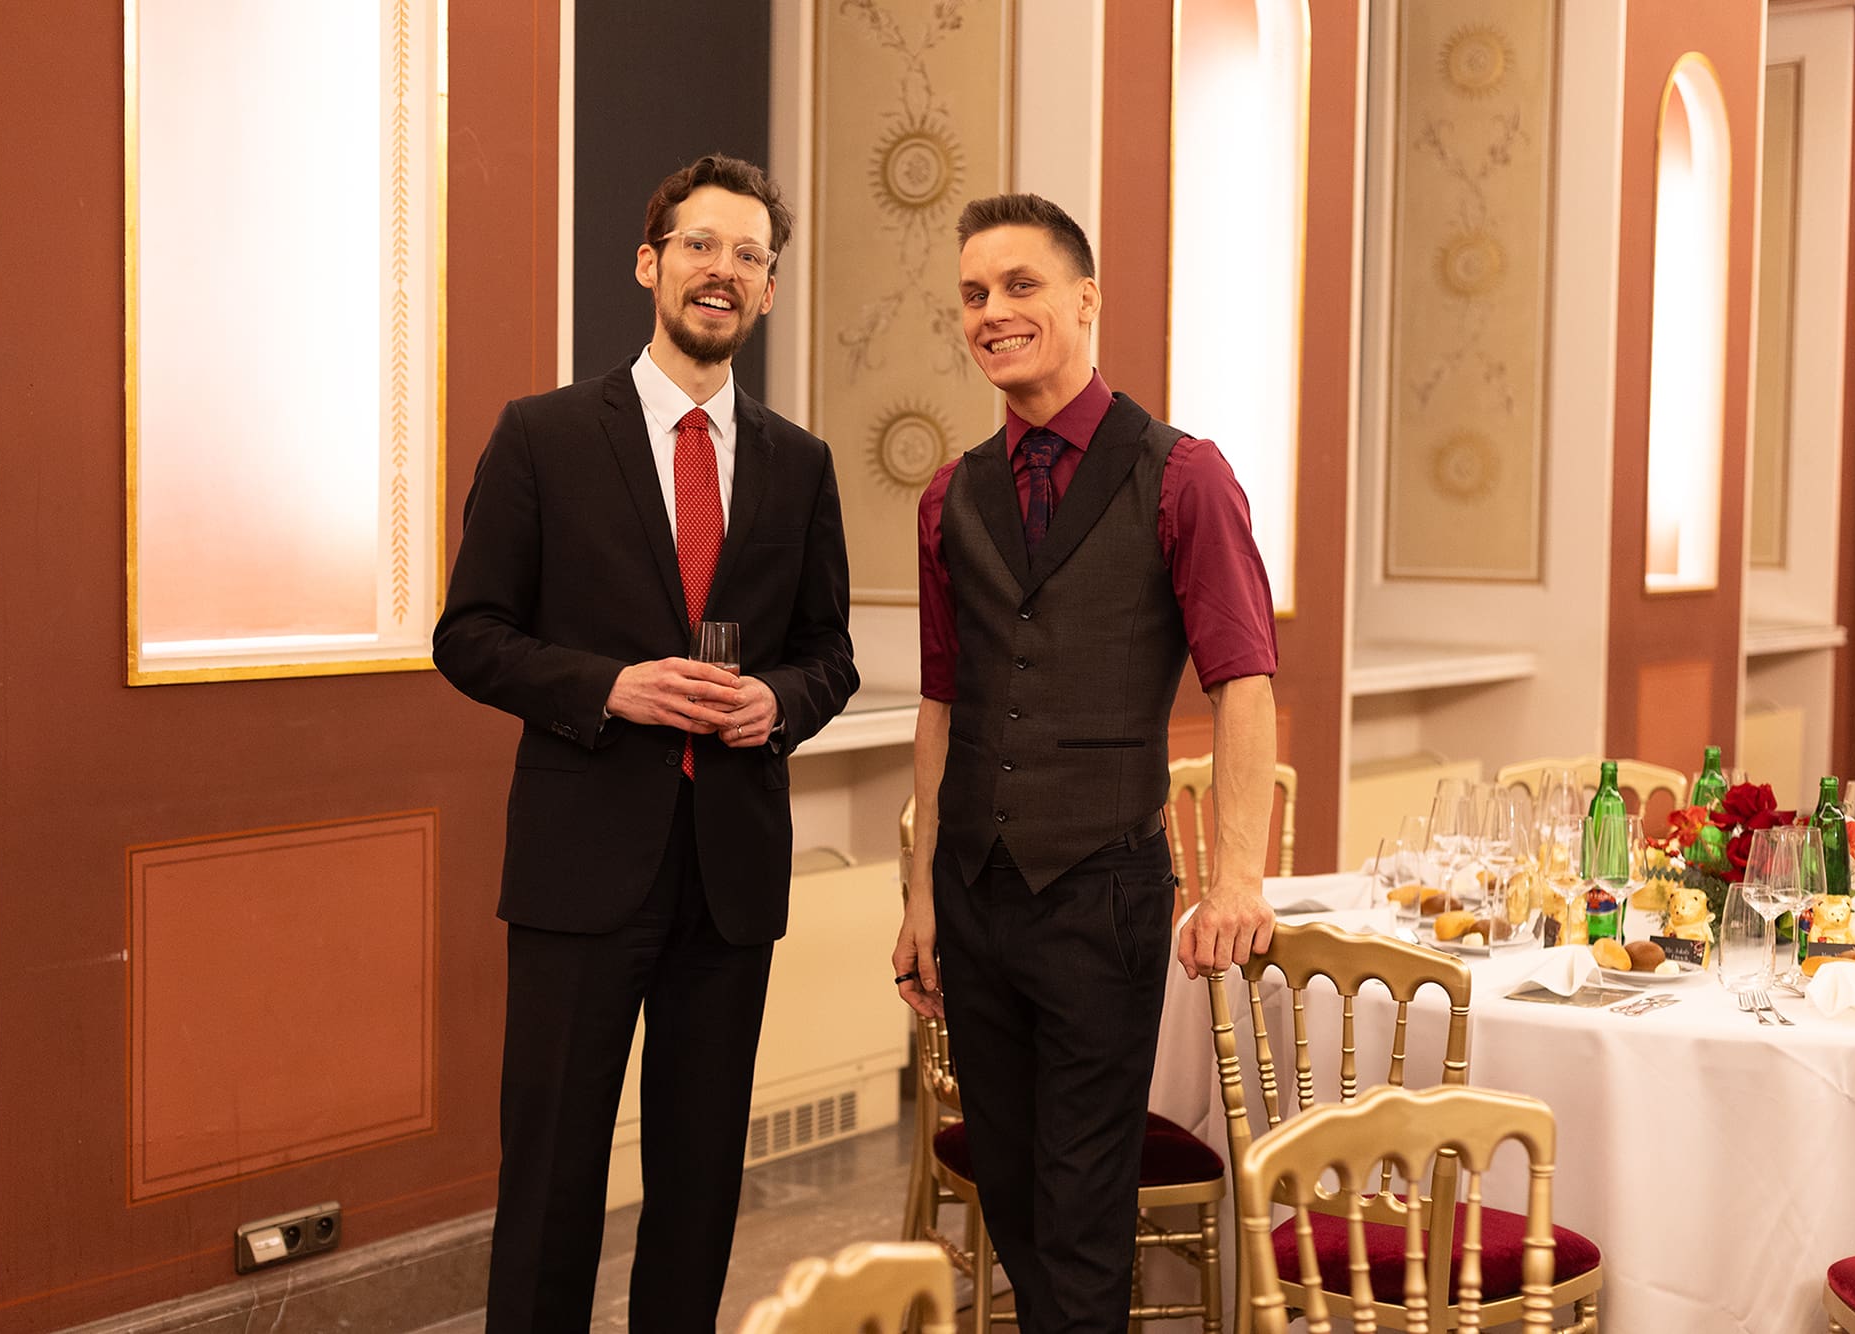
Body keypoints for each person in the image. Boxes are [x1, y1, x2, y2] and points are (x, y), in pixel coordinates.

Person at [434, 153, 857, 1332]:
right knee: (552, 1175)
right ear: (647, 264)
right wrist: (608, 686)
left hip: (728, 878)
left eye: (747, 255)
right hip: (580, 870)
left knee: (699, 1181)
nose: (721, 270)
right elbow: (468, 636)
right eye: (698, 245)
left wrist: (778, 702)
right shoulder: (543, 435)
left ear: (767, 289)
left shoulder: (800, 463)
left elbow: (828, 652)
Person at [890, 193, 1278, 1333]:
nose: (993, 312)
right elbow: (941, 704)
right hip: (973, 893)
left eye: (1020, 285)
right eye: (974, 294)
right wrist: (919, 896)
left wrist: (1237, 878)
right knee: (1010, 1193)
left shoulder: (1182, 474)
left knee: (1079, 1208)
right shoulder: (949, 494)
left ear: (1084, 300)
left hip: (1101, 894)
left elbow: (1243, 681)